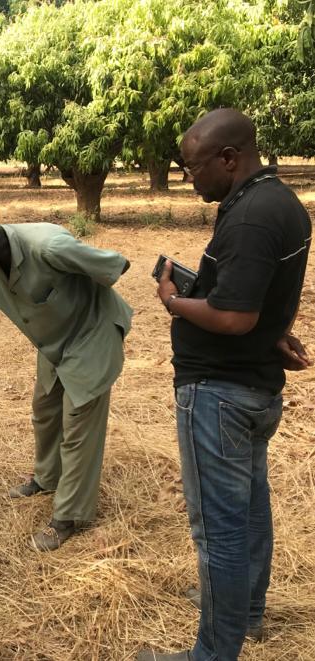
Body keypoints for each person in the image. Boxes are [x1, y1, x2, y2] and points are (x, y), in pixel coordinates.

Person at [138, 109, 311, 661]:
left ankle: (213, 652)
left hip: (220, 395)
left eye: (193, 168)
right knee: (250, 512)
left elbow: (234, 316)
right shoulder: (279, 203)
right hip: (253, 388)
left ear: (229, 158)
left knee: (220, 532)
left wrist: (172, 299)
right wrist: (273, 333)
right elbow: (260, 296)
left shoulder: (248, 220)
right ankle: (246, 612)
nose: (190, 179)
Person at [0, 204, 133, 551]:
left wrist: (79, 288)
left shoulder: (48, 246)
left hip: (92, 333)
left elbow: (116, 265)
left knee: (78, 426)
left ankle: (68, 517)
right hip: (53, 343)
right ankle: (46, 479)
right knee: (44, 412)